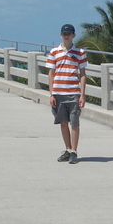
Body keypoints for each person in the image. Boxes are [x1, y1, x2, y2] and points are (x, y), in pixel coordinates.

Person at [46, 24, 87, 164]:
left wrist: (82, 95)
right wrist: (52, 94)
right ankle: (68, 150)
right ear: (61, 35)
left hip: (74, 93)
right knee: (63, 123)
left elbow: (82, 74)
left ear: (74, 35)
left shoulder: (80, 52)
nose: (66, 35)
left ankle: (74, 151)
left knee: (74, 123)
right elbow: (51, 73)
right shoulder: (54, 52)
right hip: (59, 93)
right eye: (64, 33)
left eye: (69, 33)